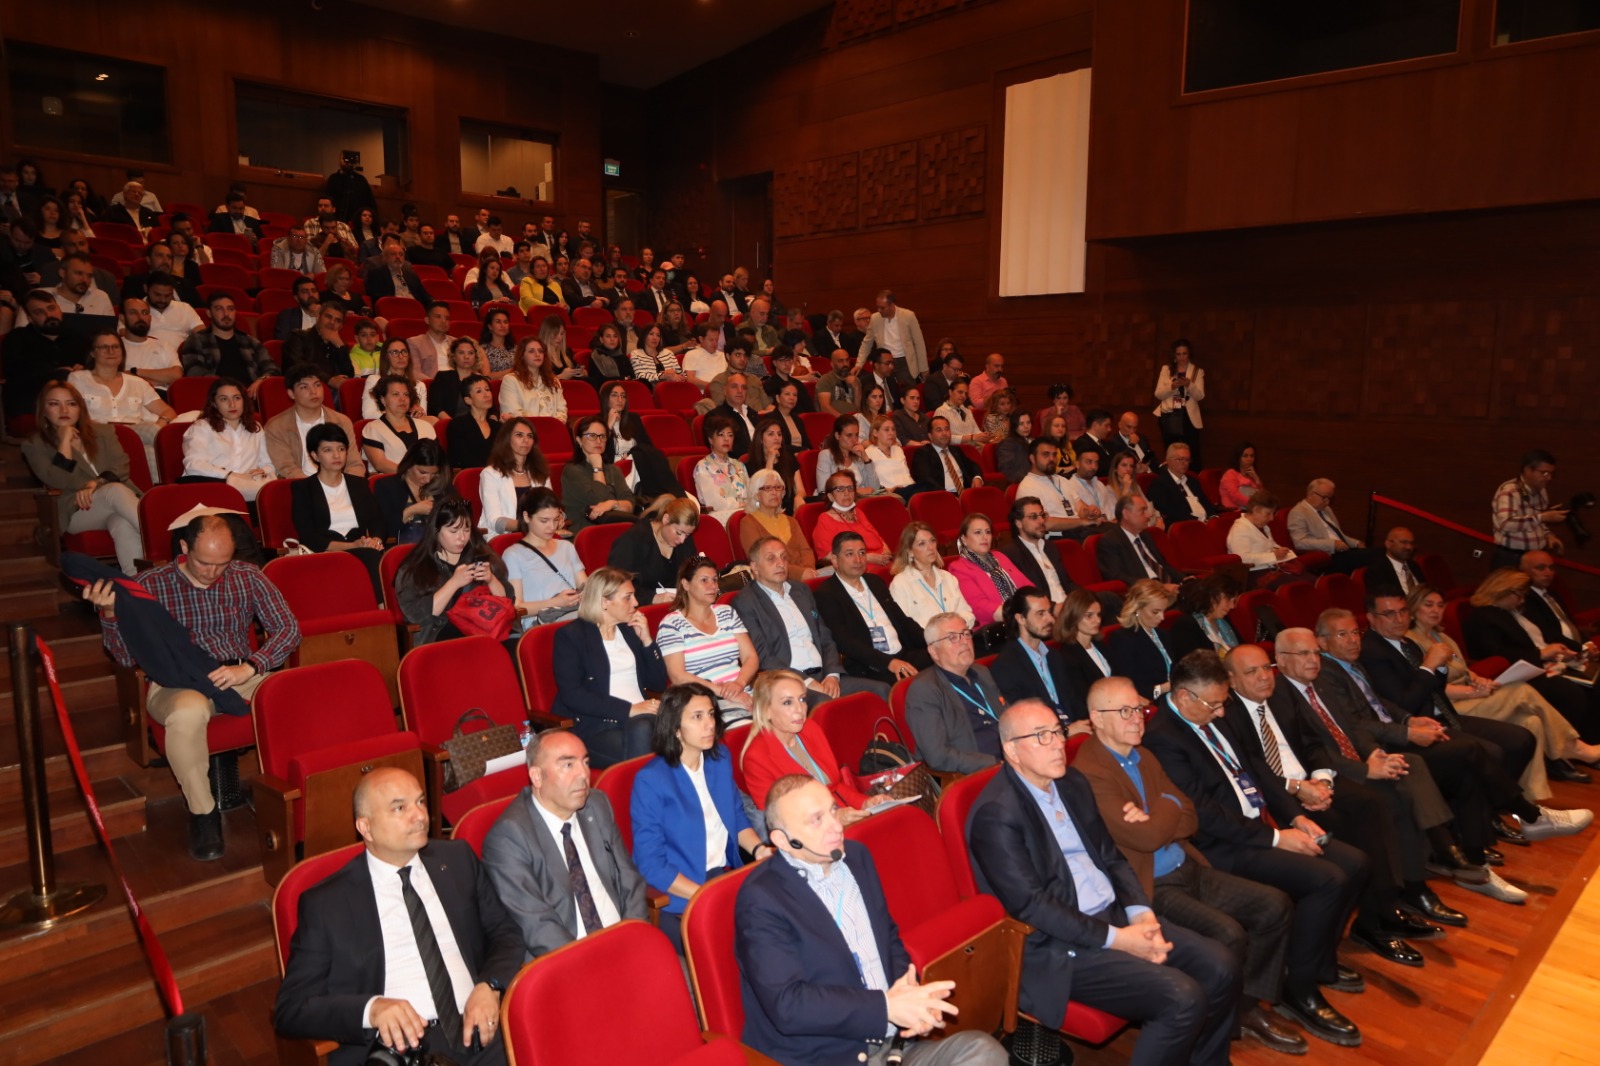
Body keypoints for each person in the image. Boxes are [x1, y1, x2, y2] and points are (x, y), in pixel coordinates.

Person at [968, 699, 1240, 1065]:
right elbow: (1033, 906)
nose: (1058, 744)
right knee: (1182, 997)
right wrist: (1121, 940)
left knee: (1221, 965)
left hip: (1115, 915)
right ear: (1012, 751)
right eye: (1041, 736)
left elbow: (1111, 856)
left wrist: (1141, 913)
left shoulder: (1072, 783)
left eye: (1058, 732)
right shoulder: (997, 814)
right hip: (1059, 945)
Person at [1071, 677, 1309, 1055]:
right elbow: (1148, 837)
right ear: (1097, 718)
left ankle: (1244, 1006)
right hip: (1153, 885)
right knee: (1228, 935)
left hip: (1187, 863)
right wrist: (1168, 806)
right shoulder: (1090, 772)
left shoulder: (1144, 755)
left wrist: (1159, 811)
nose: (1137, 718)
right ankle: (1216, 1025)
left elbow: (1190, 815)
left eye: (1139, 709)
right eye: (1125, 711)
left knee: (1274, 906)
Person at [1140, 653, 1368, 1042]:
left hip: (1261, 824)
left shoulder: (1213, 713)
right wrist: (1277, 839)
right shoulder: (1162, 738)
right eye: (1212, 705)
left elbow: (1256, 767)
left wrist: (1294, 817)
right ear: (1183, 697)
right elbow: (1203, 813)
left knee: (1357, 863)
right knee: (1327, 880)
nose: (1219, 712)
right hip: (1221, 845)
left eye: (1222, 702)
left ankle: (1311, 962)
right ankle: (1298, 989)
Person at [736, 775, 1008, 1066]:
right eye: (816, 820)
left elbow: (888, 938)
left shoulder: (857, 857)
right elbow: (788, 1005)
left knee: (985, 1052)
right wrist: (887, 1008)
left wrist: (911, 996)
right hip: (829, 1056)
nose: (835, 825)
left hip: (892, 1042)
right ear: (783, 840)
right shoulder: (762, 898)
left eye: (832, 810)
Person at [273, 767, 520, 1066]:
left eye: (420, 802)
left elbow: (505, 932)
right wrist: (372, 1009)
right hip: (404, 1048)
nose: (420, 816)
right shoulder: (327, 903)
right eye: (400, 808)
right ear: (365, 827)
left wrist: (489, 986)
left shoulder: (457, 859)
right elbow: (291, 1009)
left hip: (480, 1027)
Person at [1221, 644, 1444, 973]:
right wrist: (1299, 789)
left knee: (1373, 804)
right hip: (1278, 795)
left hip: (1312, 782)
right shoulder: (1228, 714)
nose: (1264, 677)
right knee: (1345, 829)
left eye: (1266, 668)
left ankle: (1381, 912)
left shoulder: (1280, 697)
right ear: (1230, 680)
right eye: (1251, 672)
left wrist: (1322, 781)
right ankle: (1364, 924)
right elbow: (1251, 771)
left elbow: (1313, 744)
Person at [85, 513, 297, 859]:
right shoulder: (149, 585)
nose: (213, 572)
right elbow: (124, 656)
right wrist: (110, 615)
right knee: (188, 712)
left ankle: (294, 798)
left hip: (237, 673)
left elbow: (288, 628)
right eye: (204, 562)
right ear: (184, 548)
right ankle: (203, 815)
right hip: (177, 682)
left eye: (222, 563)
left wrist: (250, 666)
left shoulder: (246, 575)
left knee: (299, 695)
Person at [1270, 627, 1475, 925]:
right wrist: (1365, 769)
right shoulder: (1279, 696)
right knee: (1391, 796)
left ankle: (1427, 867)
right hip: (1329, 774)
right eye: (1303, 653)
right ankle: (1412, 886)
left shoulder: (1320, 684)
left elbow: (1353, 728)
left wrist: (1373, 754)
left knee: (1407, 767)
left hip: (1353, 761)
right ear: (1280, 659)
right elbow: (1312, 752)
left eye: (1315, 652)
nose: (1313, 659)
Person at [1408, 583, 1600, 795]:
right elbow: (1432, 688)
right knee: (1520, 690)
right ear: (1414, 607)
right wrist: (1473, 692)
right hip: (1449, 707)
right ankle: (1576, 748)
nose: (1435, 610)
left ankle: (1530, 797)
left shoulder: (1443, 637)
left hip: (1471, 696)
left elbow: (1464, 670)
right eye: (1428, 605)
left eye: (1440, 605)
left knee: (1531, 722)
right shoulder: (1411, 641)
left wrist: (1479, 680)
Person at [481, 730, 649, 959]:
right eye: (568, 765)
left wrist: (634, 940)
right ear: (537, 777)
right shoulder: (510, 837)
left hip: (623, 942)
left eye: (585, 762)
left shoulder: (596, 805)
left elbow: (629, 880)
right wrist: (593, 963)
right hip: (568, 960)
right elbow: (537, 926)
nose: (583, 774)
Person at [632, 684, 771, 951]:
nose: (709, 724)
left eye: (710, 714)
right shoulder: (651, 780)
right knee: (743, 940)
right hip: (678, 891)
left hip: (720, 877)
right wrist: (705, 895)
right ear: (675, 728)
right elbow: (651, 866)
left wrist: (759, 849)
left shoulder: (719, 759)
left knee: (778, 918)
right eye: (697, 717)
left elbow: (736, 818)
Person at [735, 538, 890, 706]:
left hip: (824, 674)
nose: (780, 564)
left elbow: (825, 637)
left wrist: (832, 675)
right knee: (826, 705)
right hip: (788, 682)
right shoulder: (746, 602)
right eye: (771, 558)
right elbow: (763, 656)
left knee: (881, 690)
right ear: (754, 567)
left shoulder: (801, 590)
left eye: (784, 557)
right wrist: (806, 681)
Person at [550, 567, 667, 766]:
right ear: (604, 602)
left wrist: (647, 641)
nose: (636, 603)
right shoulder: (571, 637)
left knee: (683, 721)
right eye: (627, 597)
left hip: (645, 719)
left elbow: (657, 683)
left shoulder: (629, 631)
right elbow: (573, 695)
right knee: (645, 734)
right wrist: (629, 709)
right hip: (600, 726)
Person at [25, 380, 144, 575]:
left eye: (71, 403)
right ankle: (164, 540)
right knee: (115, 490)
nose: (64, 410)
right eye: (54, 404)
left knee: (121, 523)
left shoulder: (103, 432)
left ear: (80, 408)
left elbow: (121, 466)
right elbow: (58, 480)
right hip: (76, 510)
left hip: (115, 502)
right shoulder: (34, 445)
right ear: (43, 410)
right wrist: (64, 440)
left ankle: (137, 584)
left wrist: (96, 483)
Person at [738, 670, 887, 814]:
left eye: (802, 699)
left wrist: (865, 803)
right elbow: (778, 818)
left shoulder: (810, 728)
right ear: (766, 710)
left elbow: (835, 785)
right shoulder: (757, 758)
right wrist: (835, 818)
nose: (799, 709)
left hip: (842, 814)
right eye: (787, 702)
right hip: (811, 828)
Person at [814, 530, 930, 687]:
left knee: (943, 658)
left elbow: (902, 621)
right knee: (904, 683)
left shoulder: (875, 582)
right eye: (849, 554)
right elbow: (844, 642)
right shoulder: (827, 593)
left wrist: (933, 641)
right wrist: (888, 662)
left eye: (862, 553)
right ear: (835, 560)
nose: (858, 559)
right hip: (871, 665)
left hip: (902, 653)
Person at [394, 496, 510, 646]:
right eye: (454, 531)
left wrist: (491, 580)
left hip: (483, 630)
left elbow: (507, 602)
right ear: (436, 530)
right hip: (439, 635)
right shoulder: (415, 568)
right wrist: (454, 583)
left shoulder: (481, 556)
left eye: (466, 530)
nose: (462, 538)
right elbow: (417, 616)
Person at [657, 558, 761, 722]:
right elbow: (678, 676)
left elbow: (751, 657)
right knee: (748, 725)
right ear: (686, 584)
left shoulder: (727, 612)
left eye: (714, 580)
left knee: (785, 714)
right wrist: (724, 692)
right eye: (704, 580)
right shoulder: (671, 624)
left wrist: (739, 684)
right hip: (706, 700)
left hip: (742, 691)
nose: (712, 586)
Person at [903, 613, 1004, 773]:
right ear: (934, 651)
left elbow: (1008, 715)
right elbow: (938, 757)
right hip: (981, 770)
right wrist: (996, 763)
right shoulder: (925, 689)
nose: (964, 642)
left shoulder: (982, 673)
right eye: (952, 638)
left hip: (1015, 756)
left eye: (966, 633)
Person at [290, 424, 385, 594]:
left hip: (361, 547)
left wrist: (375, 540)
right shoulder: (303, 489)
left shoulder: (359, 484)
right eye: (327, 450)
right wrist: (351, 546)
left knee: (374, 555)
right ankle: (380, 606)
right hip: (325, 551)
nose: (336, 455)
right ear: (315, 455)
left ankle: (379, 607)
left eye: (341, 449)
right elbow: (308, 535)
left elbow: (377, 520)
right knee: (369, 557)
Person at [67, 330, 175, 474]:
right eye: (104, 347)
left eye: (115, 347)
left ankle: (155, 487)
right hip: (97, 433)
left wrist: (159, 425)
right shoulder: (78, 379)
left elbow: (168, 411)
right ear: (92, 352)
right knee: (149, 443)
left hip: (134, 433)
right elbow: (72, 414)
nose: (111, 351)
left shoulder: (138, 383)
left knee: (151, 447)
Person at [992, 587, 1086, 725]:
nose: (1050, 619)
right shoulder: (1006, 666)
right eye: (1041, 614)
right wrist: (1065, 731)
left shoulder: (1055, 656)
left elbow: (1074, 701)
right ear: (1021, 618)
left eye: (1049, 612)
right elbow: (1022, 717)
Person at [180, 377, 275, 501]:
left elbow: (269, 465)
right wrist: (231, 476)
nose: (232, 404)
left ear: (244, 401)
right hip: (213, 486)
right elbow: (194, 465)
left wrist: (262, 471)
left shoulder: (255, 427)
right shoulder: (202, 427)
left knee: (275, 490)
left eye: (237, 398)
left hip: (249, 488)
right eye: (224, 399)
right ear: (214, 403)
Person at [504, 487, 585, 631]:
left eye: (556, 519)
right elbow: (517, 608)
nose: (552, 527)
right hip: (542, 623)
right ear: (526, 517)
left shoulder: (566, 547)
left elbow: (585, 585)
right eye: (544, 520)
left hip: (575, 614)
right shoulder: (513, 555)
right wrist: (556, 602)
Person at [598, 380, 683, 502]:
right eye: (614, 395)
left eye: (623, 396)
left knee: (651, 454)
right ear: (606, 399)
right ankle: (665, 496)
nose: (620, 399)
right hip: (614, 470)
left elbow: (647, 446)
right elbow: (599, 454)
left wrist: (631, 454)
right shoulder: (596, 422)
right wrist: (609, 427)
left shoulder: (633, 419)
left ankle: (669, 496)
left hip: (637, 465)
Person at [607, 496, 701, 604]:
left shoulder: (685, 541)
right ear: (666, 519)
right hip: (641, 607)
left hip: (677, 606)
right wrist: (652, 598)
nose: (682, 540)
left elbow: (691, 574)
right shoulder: (632, 540)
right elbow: (616, 584)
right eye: (679, 533)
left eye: (687, 535)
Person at [181, 292, 277, 391]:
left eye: (230, 309)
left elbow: (272, 368)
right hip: (216, 394)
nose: (226, 314)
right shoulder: (197, 340)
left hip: (250, 394)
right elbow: (194, 371)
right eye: (219, 309)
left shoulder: (251, 342)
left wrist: (262, 380)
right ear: (209, 313)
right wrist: (225, 387)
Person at [889, 521, 976, 629]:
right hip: (926, 639)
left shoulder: (948, 578)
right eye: (922, 544)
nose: (930, 547)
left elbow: (967, 614)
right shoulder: (900, 584)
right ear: (910, 551)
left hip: (958, 635)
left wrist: (956, 625)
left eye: (932, 541)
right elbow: (903, 627)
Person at [1104, 580, 1180, 700]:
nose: (1162, 617)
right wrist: (1163, 688)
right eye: (1155, 612)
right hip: (1148, 702)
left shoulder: (1162, 634)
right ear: (1137, 609)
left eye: (1163, 611)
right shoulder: (1123, 638)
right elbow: (1128, 687)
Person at [1491, 448, 1567, 567]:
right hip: (1512, 556)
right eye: (1544, 473)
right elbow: (1506, 524)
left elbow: (1537, 521)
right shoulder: (1509, 491)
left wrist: (1548, 535)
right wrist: (1542, 517)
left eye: (1551, 473)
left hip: (1536, 555)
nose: (1549, 478)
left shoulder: (1541, 490)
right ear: (1527, 470)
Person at [1001, 497, 1079, 610]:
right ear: (1019, 523)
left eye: (1042, 515)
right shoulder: (1011, 553)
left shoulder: (1050, 547)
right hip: (1044, 611)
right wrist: (1054, 608)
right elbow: (1026, 595)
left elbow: (1067, 583)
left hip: (1067, 606)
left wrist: (1084, 599)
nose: (1041, 521)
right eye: (1033, 517)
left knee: (1102, 598)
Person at [949, 512, 1027, 625]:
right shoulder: (959, 568)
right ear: (964, 539)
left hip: (1022, 617)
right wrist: (1019, 614)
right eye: (978, 532)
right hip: (996, 626)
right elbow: (979, 607)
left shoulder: (1000, 557)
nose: (984, 537)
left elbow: (1026, 585)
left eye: (988, 532)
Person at [562, 416, 636, 534]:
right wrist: (597, 467)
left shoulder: (614, 470)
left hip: (618, 528)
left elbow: (630, 504)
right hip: (587, 531)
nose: (598, 441)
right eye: (592, 436)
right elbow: (598, 500)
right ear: (579, 440)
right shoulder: (572, 471)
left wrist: (612, 504)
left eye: (602, 436)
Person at [480, 418, 553, 536]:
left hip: (538, 535)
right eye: (519, 435)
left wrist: (559, 517)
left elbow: (551, 507)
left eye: (530, 436)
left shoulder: (540, 472)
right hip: (503, 537)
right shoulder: (490, 474)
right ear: (507, 439)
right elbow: (494, 521)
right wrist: (528, 526)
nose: (526, 440)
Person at [740, 468, 818, 579]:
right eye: (768, 488)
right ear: (756, 494)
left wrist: (808, 570)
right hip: (774, 580)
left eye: (778, 488)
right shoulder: (748, 523)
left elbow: (806, 551)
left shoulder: (791, 521)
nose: (774, 492)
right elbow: (762, 560)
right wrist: (800, 573)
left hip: (806, 576)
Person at [1097, 495, 1182, 592]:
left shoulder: (1145, 535)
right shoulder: (1110, 541)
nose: (1148, 515)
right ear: (1126, 514)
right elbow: (1116, 576)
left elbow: (1163, 565)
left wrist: (1184, 579)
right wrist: (1158, 587)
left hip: (1168, 586)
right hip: (1146, 591)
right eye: (1143, 510)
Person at [1286, 478, 1370, 575]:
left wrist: (1356, 543)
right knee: (1378, 556)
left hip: (1344, 551)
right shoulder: (1298, 512)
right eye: (1325, 497)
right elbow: (1300, 542)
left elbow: (1339, 534)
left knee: (1377, 556)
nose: (1327, 502)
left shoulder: (1326, 509)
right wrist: (1332, 544)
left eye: (1330, 498)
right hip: (1330, 554)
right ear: (1311, 494)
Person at [373, 439, 449, 545]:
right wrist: (412, 510)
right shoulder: (387, 486)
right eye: (423, 472)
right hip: (404, 549)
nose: (428, 479)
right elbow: (385, 531)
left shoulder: (443, 486)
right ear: (408, 465)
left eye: (434, 474)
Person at [1017, 438, 1096, 539]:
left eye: (1054, 455)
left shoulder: (1063, 480)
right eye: (1046, 454)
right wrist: (1082, 522)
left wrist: (1089, 512)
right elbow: (1044, 523)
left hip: (1078, 530)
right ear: (1032, 458)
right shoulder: (1028, 486)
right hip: (1057, 537)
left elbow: (1080, 508)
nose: (1051, 459)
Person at [811, 470, 890, 567]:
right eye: (840, 489)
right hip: (855, 568)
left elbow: (878, 539)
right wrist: (866, 558)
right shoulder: (825, 520)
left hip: (882, 562)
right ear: (831, 496)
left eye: (850, 488)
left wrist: (886, 552)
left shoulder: (858, 513)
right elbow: (828, 557)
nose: (847, 493)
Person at [361, 375, 437, 475]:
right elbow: (380, 464)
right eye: (396, 394)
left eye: (406, 394)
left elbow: (437, 460)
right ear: (383, 400)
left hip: (428, 481)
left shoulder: (426, 426)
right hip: (391, 481)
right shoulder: (372, 429)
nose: (402, 399)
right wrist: (413, 475)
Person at [1226, 493, 1304, 588]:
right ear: (1256, 510)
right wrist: (1274, 556)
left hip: (1270, 568)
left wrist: (1281, 550)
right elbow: (1242, 558)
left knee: (1308, 580)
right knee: (1298, 586)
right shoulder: (1240, 529)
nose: (1271, 518)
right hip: (1253, 574)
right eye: (1268, 513)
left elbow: (1271, 545)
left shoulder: (1263, 527)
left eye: (1273, 513)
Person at [854, 289, 930, 381]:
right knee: (887, 388)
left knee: (908, 388)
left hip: (905, 362)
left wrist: (923, 368)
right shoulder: (875, 318)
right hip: (884, 362)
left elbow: (919, 343)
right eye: (878, 307)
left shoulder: (908, 316)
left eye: (882, 308)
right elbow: (866, 343)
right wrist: (859, 365)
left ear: (892, 305)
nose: (879, 310)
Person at [1169, 572, 1244, 661]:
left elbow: (1242, 649)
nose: (1232, 606)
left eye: (1234, 601)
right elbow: (1192, 664)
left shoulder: (1224, 621)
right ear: (1213, 596)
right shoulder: (1186, 626)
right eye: (1228, 599)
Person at [1153, 339, 1206, 465]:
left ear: (1189, 354)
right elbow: (1158, 394)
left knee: (1191, 452)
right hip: (1170, 415)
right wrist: (1172, 386)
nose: (1181, 357)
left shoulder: (1197, 371)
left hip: (1188, 417)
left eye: (1184, 354)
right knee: (1172, 450)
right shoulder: (1166, 369)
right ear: (1174, 355)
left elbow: (1200, 396)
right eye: (1178, 354)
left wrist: (1189, 385)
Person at [695, 414, 751, 524]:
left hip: (745, 516)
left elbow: (751, 494)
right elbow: (714, 502)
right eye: (721, 435)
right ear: (711, 439)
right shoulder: (703, 466)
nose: (726, 439)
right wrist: (742, 505)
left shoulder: (739, 465)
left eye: (730, 435)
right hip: (721, 519)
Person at [1146, 443, 1219, 526]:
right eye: (1180, 459)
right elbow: (1169, 514)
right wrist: (1198, 523)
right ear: (1168, 461)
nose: (1185, 463)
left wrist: (1213, 517)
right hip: (1185, 527)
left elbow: (1206, 504)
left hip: (1205, 524)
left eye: (1187, 460)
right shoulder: (1159, 484)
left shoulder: (1192, 481)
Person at [909, 415, 984, 495]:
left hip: (965, 494)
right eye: (939, 430)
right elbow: (925, 480)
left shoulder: (956, 450)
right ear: (930, 436)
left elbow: (973, 466)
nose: (944, 433)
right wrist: (946, 496)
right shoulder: (923, 454)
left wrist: (977, 478)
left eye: (947, 429)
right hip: (942, 496)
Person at [745, 417, 807, 512]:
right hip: (766, 509)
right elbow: (765, 491)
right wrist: (770, 460)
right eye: (771, 434)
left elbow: (801, 490)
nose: (777, 438)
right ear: (760, 439)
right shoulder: (750, 465)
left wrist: (798, 497)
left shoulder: (789, 458)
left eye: (779, 434)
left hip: (790, 507)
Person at [816, 413, 880, 498]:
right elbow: (824, 490)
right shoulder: (826, 456)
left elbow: (875, 488)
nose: (854, 440)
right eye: (849, 435)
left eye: (856, 435)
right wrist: (857, 491)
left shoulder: (858, 457)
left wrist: (865, 458)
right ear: (837, 436)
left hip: (861, 501)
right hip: (838, 502)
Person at [447, 374, 501, 471]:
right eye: (479, 391)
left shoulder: (498, 427)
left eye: (487, 389)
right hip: (471, 476)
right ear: (468, 400)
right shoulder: (458, 425)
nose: (486, 394)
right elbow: (459, 461)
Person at [428, 337, 488, 420]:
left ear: (475, 357)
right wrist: (452, 423)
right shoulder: (443, 377)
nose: (466, 357)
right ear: (453, 356)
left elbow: (492, 411)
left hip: (479, 424)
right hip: (450, 423)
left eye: (470, 353)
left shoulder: (481, 380)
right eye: (461, 353)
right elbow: (435, 407)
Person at [862, 415, 914, 500]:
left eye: (893, 429)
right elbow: (869, 485)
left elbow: (906, 475)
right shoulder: (868, 453)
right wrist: (887, 490)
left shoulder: (898, 450)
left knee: (928, 486)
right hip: (890, 493)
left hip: (909, 489)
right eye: (886, 430)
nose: (891, 433)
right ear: (875, 433)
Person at [933, 380, 989, 447]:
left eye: (965, 394)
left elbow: (976, 431)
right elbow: (943, 437)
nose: (963, 396)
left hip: (972, 446)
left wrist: (984, 436)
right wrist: (971, 437)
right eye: (960, 392)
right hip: (955, 449)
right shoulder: (941, 411)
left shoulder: (967, 411)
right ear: (950, 392)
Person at [994, 410, 1033, 485]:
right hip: (1020, 484)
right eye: (1021, 424)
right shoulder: (1006, 445)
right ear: (1014, 426)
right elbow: (1007, 472)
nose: (1026, 426)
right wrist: (1030, 480)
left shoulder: (1032, 442)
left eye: (1028, 423)